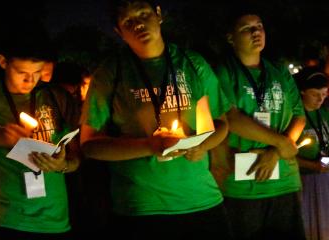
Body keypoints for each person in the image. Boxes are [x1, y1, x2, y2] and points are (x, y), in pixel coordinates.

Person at [80, 0, 232, 239]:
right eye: (128, 21)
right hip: (142, 207)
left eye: (143, 14)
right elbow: (89, 145)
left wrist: (202, 145)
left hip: (202, 199)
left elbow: (221, 123)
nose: (138, 24)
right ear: (119, 32)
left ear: (158, 14)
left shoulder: (192, 63)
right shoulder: (111, 72)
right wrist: (150, 146)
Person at [211, 8, 306, 240]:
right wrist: (281, 143)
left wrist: (276, 151)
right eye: (247, 28)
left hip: (285, 180)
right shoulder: (223, 72)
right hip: (242, 183)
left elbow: (299, 116)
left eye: (259, 26)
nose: (256, 32)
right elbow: (230, 118)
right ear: (230, 37)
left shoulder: (280, 71)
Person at [0, 23, 80, 239]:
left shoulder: (57, 98)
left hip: (55, 220)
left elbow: (77, 157)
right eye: (22, 72)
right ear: (3, 62)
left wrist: (63, 164)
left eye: (37, 72)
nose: (30, 80)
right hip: (4, 218)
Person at [294, 67, 329, 240]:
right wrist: (311, 165)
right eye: (315, 94)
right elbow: (286, 152)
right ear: (302, 92)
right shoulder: (293, 117)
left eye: (324, 94)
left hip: (328, 178)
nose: (320, 99)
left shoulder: (326, 114)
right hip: (304, 180)